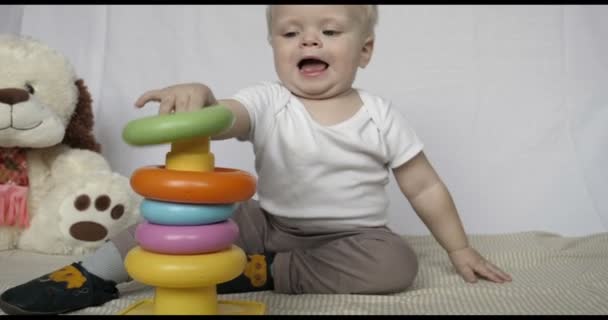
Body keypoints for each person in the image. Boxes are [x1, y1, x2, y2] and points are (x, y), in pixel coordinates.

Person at [0, 5, 511, 315]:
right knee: (172, 218)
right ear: (274, 46)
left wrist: (460, 248)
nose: (309, 39)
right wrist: (202, 97)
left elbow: (423, 187)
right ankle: (93, 274)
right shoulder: (270, 100)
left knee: (396, 263)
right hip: (268, 221)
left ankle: (266, 273)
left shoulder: (381, 116)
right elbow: (228, 117)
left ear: (366, 50)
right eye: (291, 33)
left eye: (330, 31)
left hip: (351, 236)